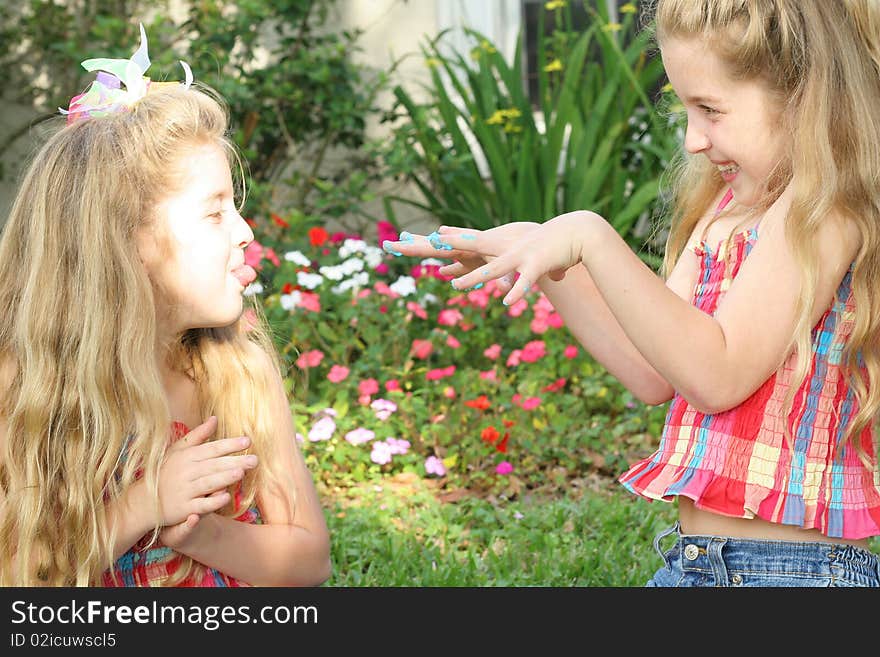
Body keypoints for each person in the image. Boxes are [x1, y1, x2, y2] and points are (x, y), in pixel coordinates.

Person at [384, 0, 880, 586]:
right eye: (685, 109)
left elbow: (717, 375)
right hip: (696, 564)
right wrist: (550, 260)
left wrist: (591, 235)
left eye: (710, 110)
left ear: (802, 96)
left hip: (796, 574)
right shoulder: (726, 212)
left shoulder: (824, 213)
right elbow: (655, 372)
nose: (694, 139)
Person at [0, 25, 331, 586]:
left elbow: (308, 563)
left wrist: (198, 531)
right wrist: (140, 507)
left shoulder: (239, 370)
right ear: (130, 240)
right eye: (215, 212)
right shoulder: (27, 382)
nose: (246, 231)